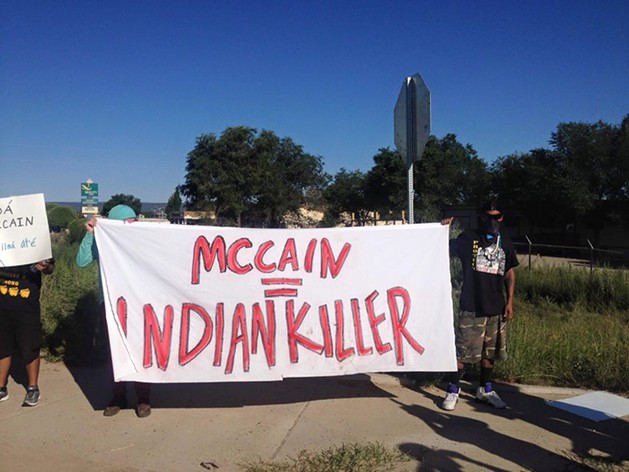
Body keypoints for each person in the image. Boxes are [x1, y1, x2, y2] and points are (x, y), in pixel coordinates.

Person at [441, 200, 518, 411]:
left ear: (502, 217)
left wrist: (510, 301)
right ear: (481, 216)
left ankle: (485, 389)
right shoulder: (469, 238)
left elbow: (510, 272)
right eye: (488, 216)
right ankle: (453, 389)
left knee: (489, 353)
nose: (493, 221)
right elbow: (443, 250)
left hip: (496, 308)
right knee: (463, 352)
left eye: (497, 216)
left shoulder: (507, 242)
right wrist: (443, 230)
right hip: (472, 306)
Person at [76, 204, 151, 418]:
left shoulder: (143, 242)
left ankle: (143, 398)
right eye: (124, 223)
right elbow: (81, 262)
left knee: (140, 350)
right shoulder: (103, 241)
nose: (129, 226)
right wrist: (90, 234)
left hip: (139, 304)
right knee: (115, 353)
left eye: (132, 222)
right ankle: (118, 397)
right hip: (109, 304)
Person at [0, 258, 55, 406]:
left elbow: (50, 269)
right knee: (2, 347)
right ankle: (1, 387)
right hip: (2, 303)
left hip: (26, 305)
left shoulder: (35, 237)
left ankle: (32, 388)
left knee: (29, 346)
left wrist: (44, 266)